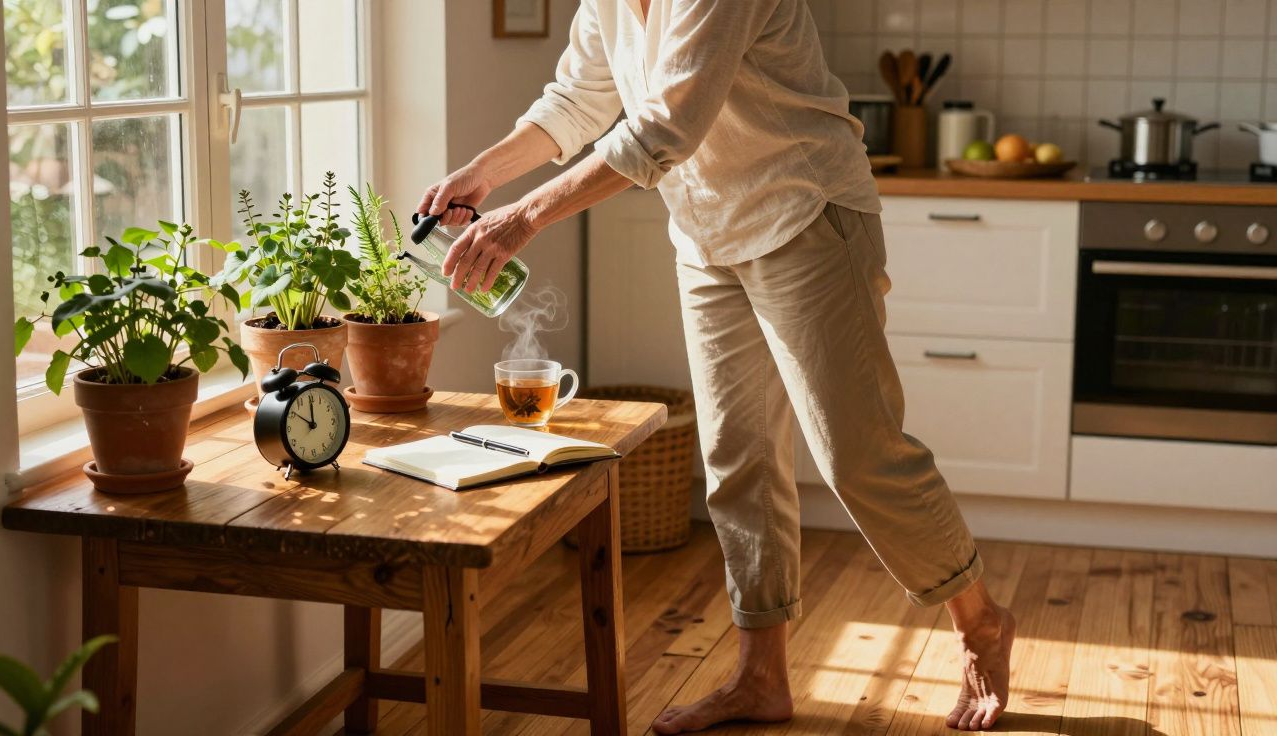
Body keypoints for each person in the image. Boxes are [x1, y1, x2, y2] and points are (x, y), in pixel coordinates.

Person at [416, 0, 1015, 731]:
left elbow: (666, 125)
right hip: (706, 236)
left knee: (858, 454)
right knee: (738, 460)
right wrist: (482, 173)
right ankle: (761, 678)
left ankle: (979, 621)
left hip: (805, 213)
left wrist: (522, 218)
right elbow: (576, 99)